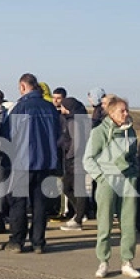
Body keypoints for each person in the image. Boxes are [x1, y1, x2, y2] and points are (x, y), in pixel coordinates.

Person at [83, 95, 140, 278]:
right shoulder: (99, 132)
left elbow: (132, 156)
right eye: (122, 111)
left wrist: (134, 171)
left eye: (127, 110)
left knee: (129, 223)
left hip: (128, 181)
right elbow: (88, 159)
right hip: (107, 180)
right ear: (111, 112)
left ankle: (127, 261)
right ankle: (103, 261)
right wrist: (101, 177)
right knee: (105, 223)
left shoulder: (130, 132)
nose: (126, 113)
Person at [3, 73, 61, 254]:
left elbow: (8, 135)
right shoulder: (50, 108)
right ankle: (38, 241)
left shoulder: (21, 108)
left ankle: (17, 240)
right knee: (40, 203)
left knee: (18, 203)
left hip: (22, 161)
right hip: (45, 161)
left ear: (22, 87)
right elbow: (58, 134)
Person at [58, 97, 91, 231]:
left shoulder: (73, 121)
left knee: (74, 188)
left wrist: (69, 156)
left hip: (75, 160)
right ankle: (80, 212)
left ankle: (79, 217)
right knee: (70, 187)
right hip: (79, 158)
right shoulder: (81, 119)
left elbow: (76, 142)